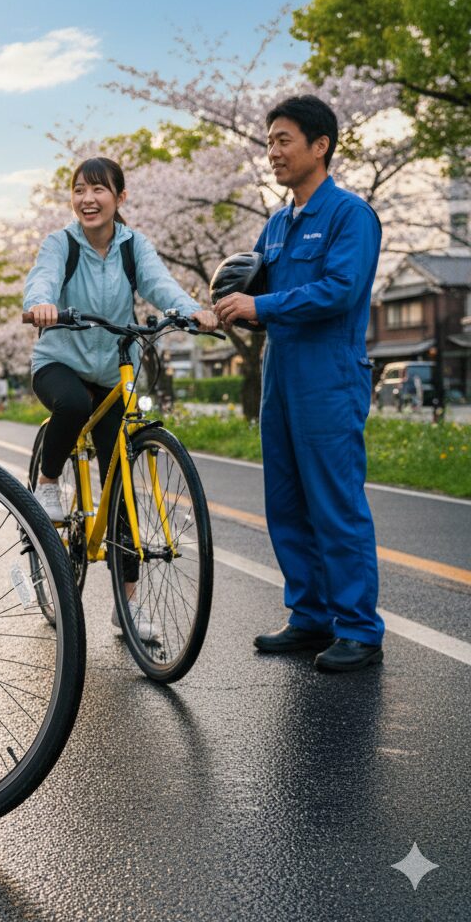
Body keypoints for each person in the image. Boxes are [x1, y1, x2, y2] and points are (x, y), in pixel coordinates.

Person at [215, 94, 384, 673]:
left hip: (329, 377)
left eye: (283, 140)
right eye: (269, 142)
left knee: (335, 501)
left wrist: (259, 306)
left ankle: (358, 628)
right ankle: (310, 615)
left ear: (320, 146)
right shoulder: (278, 224)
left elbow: (339, 289)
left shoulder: (349, 215)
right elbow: (253, 289)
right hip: (280, 376)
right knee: (285, 502)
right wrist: (224, 309)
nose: (273, 152)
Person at [24, 156, 218, 637]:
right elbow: (43, 277)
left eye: (99, 190)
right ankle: (48, 480)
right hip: (60, 362)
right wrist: (41, 304)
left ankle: (127, 604)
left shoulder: (134, 247)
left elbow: (159, 283)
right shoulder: (61, 243)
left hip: (114, 369)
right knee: (73, 405)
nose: (87, 199)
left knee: (123, 485)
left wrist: (191, 310)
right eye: (79, 190)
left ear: (120, 197)